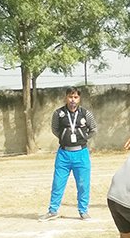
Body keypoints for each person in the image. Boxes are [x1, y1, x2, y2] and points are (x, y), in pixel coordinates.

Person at [40, 87, 98, 221]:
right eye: (70, 97)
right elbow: (55, 129)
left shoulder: (86, 114)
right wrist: (64, 137)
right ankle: (52, 210)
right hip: (64, 154)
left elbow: (93, 129)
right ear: (66, 98)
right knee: (57, 183)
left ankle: (83, 211)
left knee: (83, 184)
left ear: (79, 99)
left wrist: (83, 137)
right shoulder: (58, 113)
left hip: (81, 153)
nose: (73, 100)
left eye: (75, 97)